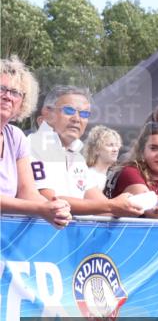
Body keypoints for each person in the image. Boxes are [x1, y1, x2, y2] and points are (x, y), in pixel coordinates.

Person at [28, 85, 143, 218]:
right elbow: (50, 200)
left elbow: (101, 203)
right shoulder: (33, 145)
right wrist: (113, 206)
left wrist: (135, 205)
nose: (77, 119)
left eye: (84, 114)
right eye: (69, 110)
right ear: (48, 113)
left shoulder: (77, 157)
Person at [0, 57, 72, 228]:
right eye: (2, 88)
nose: (8, 96)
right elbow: (34, 204)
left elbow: (27, 191)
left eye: (15, 92)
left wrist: (55, 206)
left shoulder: (16, 137)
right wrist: (40, 208)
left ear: (22, 102)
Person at [82, 125, 121, 193]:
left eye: (116, 145)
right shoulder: (88, 175)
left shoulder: (115, 176)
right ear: (96, 149)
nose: (115, 149)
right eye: (110, 145)